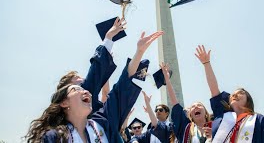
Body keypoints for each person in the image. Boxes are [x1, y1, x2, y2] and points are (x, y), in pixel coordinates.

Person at [24, 31, 164, 142]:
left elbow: (121, 89)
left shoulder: (102, 124)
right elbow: (94, 78)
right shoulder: (54, 138)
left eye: (85, 89)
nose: (86, 91)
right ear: (64, 102)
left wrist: (139, 52)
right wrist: (108, 39)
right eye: (76, 88)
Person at [195, 45, 264, 143]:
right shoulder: (224, 117)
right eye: (233, 94)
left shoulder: (259, 121)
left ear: (248, 100)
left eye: (241, 93)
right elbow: (214, 89)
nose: (234, 95)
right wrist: (206, 63)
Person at [56, 17, 126, 112]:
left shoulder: (91, 105)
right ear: (69, 87)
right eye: (77, 79)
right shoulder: (85, 91)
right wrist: (108, 37)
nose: (82, 79)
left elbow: (99, 84)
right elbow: (95, 72)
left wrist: (105, 64)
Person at [162, 62, 212, 143]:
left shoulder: (216, 127)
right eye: (193, 107)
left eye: (199, 105)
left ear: (206, 113)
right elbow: (175, 103)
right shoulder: (185, 129)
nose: (196, 107)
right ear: (190, 115)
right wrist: (167, 79)